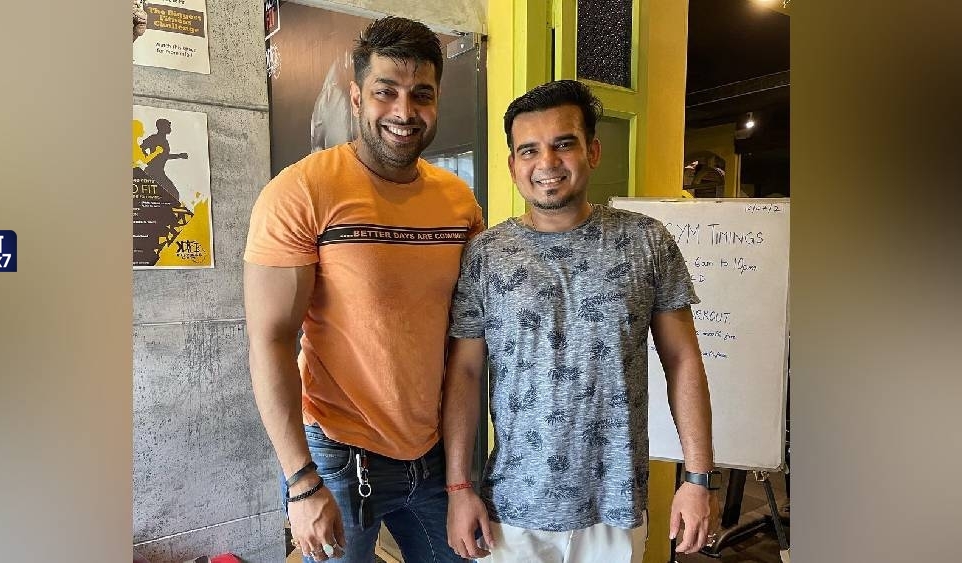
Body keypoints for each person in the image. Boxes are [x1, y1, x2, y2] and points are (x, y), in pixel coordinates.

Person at [442, 80, 718, 562]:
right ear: (512, 165)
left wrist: (698, 478)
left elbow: (683, 359)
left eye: (563, 144)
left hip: (615, 507)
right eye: (529, 150)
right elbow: (464, 371)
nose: (546, 163)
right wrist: (458, 488)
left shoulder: (647, 242)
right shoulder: (486, 255)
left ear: (592, 151)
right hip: (511, 509)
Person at [243, 16, 484, 563]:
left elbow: (466, 339)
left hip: (433, 454)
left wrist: (460, 475)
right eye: (385, 92)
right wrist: (301, 481)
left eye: (421, 95)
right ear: (356, 97)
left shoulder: (458, 202)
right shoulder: (301, 191)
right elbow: (270, 339)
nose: (404, 111)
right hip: (337, 457)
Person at [140, 118, 189, 201]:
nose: (169, 128)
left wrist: (179, 155)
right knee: (174, 194)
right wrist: (147, 158)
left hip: (159, 172)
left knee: (172, 194)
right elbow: (141, 148)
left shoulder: (164, 141)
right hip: (153, 172)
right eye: (168, 126)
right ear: (162, 127)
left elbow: (164, 156)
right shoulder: (154, 138)